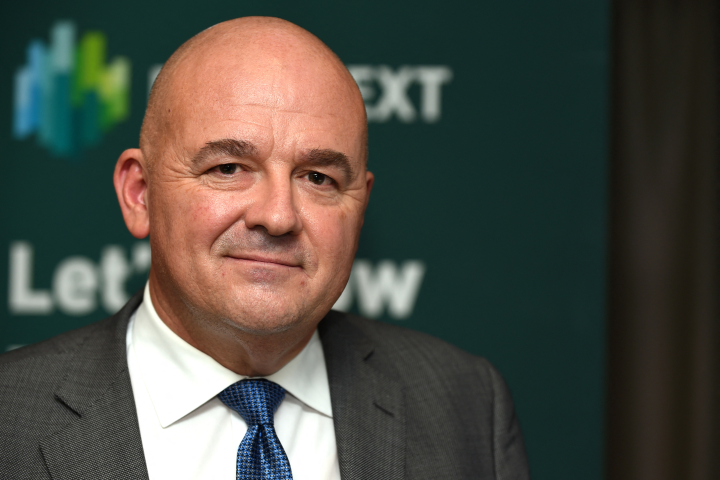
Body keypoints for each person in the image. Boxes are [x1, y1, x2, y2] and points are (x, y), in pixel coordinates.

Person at [0, 17, 529, 480]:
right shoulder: (11, 419)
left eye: (318, 178)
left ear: (360, 206)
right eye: (228, 169)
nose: (277, 216)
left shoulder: (466, 404)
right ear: (139, 194)